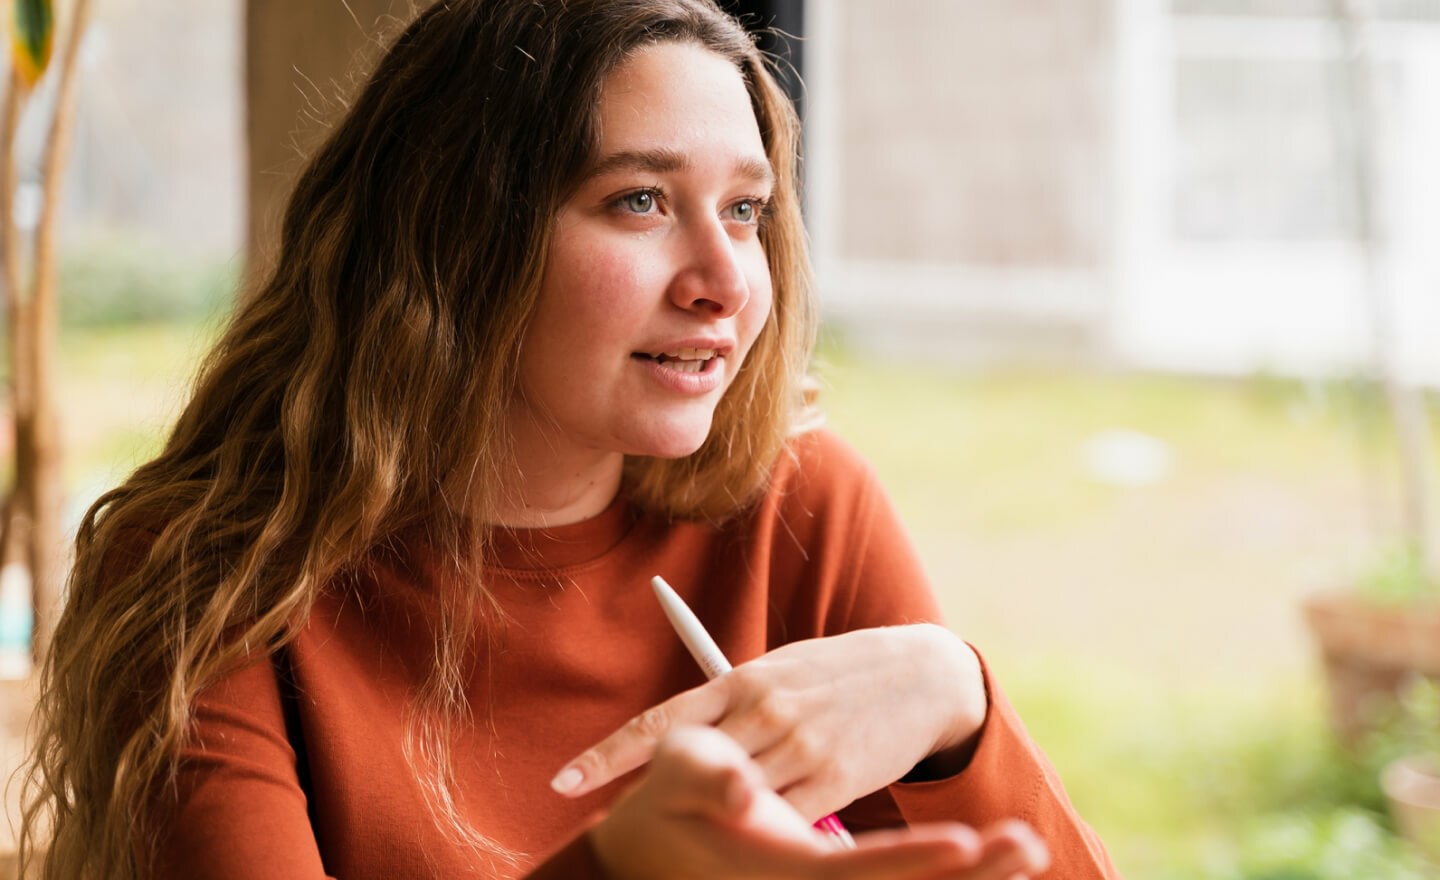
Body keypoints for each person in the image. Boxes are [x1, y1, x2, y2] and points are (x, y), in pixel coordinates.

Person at [19, 1, 1120, 878]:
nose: (726, 281)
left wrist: (952, 701)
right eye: (640, 200)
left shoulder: (801, 505)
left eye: (745, 209)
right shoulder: (209, 571)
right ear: (455, 238)